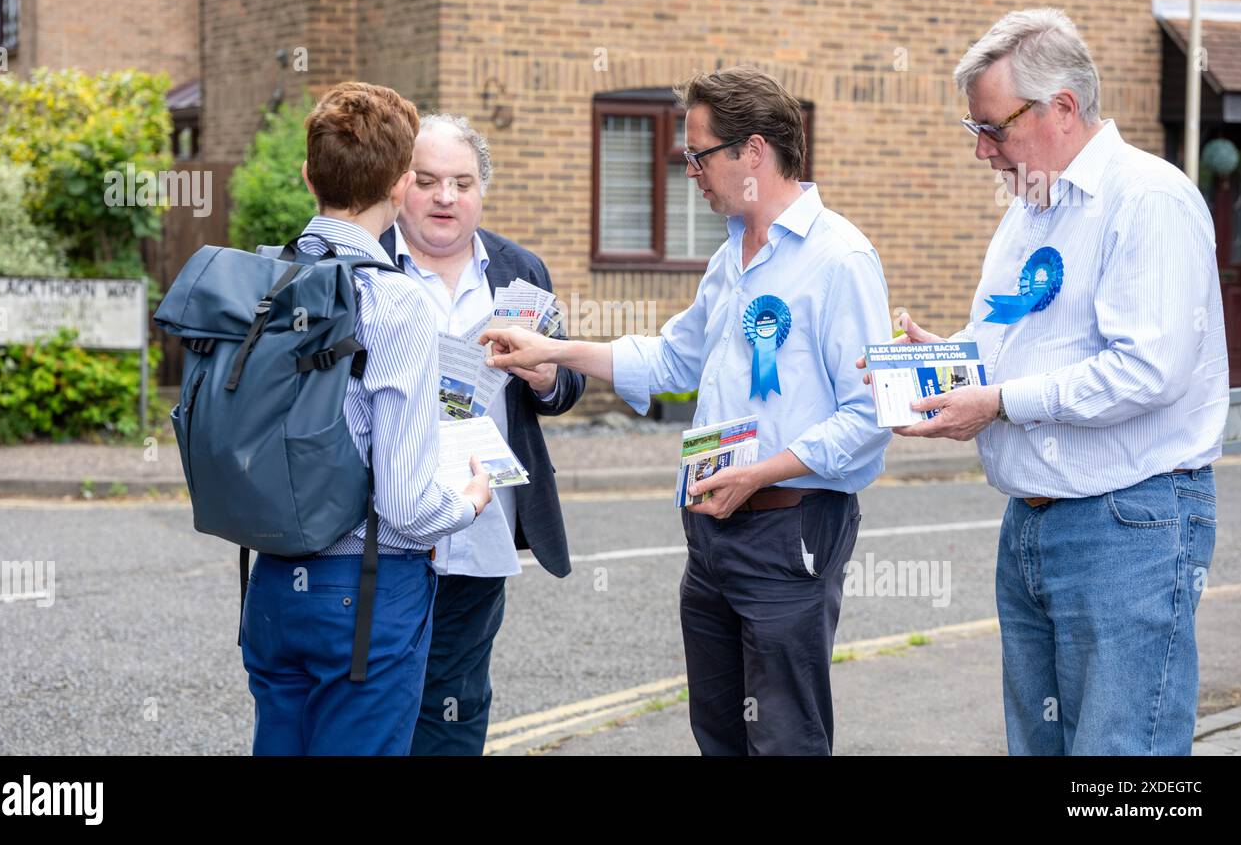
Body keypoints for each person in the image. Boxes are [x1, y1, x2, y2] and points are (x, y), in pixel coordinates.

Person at [482, 67, 892, 755]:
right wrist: (553, 349)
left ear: (752, 153)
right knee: (721, 734)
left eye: (698, 154)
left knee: (784, 739)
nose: (690, 172)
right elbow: (672, 360)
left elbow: (868, 418)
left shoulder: (841, 260)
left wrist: (759, 474)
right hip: (712, 527)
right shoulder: (730, 256)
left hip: (787, 529)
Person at [872, 9, 1228, 754]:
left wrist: (996, 400)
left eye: (993, 130)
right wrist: (953, 361)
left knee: (1121, 762)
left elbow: (1147, 370)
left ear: (1062, 107)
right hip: (1033, 524)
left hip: (1128, 523)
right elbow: (1023, 342)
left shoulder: (1148, 199)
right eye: (975, 133)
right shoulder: (1029, 211)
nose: (984, 155)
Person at [240, 83, 492, 756]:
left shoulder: (259, 283)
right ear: (403, 181)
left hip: (269, 582)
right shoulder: (396, 302)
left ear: (306, 175)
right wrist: (468, 503)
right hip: (366, 590)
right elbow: (408, 506)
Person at [380, 113, 585, 755]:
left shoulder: (520, 271)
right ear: (397, 187)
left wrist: (550, 376)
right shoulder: (363, 263)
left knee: (456, 699)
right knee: (381, 694)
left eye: (462, 182)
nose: (446, 197)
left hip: (480, 522)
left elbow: (559, 390)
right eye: (428, 180)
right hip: (383, 528)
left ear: (481, 191)